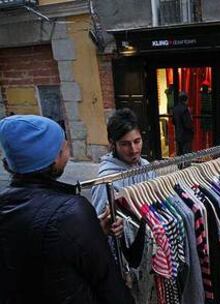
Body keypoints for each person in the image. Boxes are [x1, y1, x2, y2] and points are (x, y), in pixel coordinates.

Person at [0, 115, 133, 304]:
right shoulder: (71, 212)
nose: (68, 150)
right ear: (53, 157)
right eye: (64, 146)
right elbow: (107, 282)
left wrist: (96, 233)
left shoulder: (6, 205)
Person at [91, 108, 156, 303]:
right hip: (125, 260)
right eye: (125, 144)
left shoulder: (146, 166)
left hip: (146, 251)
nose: (134, 149)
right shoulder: (106, 181)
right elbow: (99, 226)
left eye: (137, 141)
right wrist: (110, 227)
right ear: (113, 144)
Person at [173, 91, 194, 155]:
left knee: (180, 153)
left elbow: (173, 121)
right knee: (186, 154)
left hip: (178, 134)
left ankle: (180, 165)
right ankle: (185, 165)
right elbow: (187, 124)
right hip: (185, 136)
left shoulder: (175, 109)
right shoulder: (185, 109)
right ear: (186, 100)